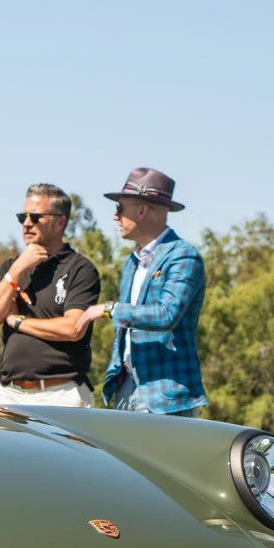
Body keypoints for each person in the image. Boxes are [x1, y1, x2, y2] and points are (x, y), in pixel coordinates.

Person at [79, 167, 208, 415]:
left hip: (165, 395)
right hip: (126, 388)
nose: (115, 216)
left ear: (142, 210)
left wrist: (109, 309)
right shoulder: (132, 261)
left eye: (120, 208)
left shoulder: (183, 256)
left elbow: (166, 315)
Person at [0, 183, 101, 407]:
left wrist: (18, 321)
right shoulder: (12, 266)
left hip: (61, 394)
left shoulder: (80, 269)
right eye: (22, 217)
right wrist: (16, 272)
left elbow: (72, 328)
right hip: (10, 394)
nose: (26, 224)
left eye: (35, 217)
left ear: (60, 221)